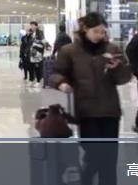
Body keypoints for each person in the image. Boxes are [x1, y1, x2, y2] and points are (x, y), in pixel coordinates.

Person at [50, 13, 132, 185]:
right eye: (96, 31)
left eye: (103, 32)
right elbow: (55, 74)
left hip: (110, 112)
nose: (100, 35)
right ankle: (86, 179)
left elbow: (123, 78)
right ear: (85, 29)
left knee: (109, 159)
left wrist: (117, 68)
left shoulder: (112, 50)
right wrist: (61, 83)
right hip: (86, 112)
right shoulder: (69, 51)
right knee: (95, 155)